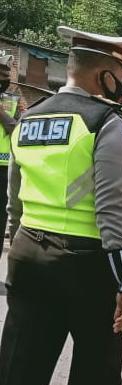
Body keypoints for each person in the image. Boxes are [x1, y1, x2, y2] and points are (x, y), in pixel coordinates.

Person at [0, 26, 122, 385]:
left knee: (18, 369)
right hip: (87, 264)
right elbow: (113, 209)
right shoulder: (108, 122)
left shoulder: (30, 118)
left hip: (28, 253)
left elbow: (15, 196)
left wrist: (15, 246)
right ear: (104, 73)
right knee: (98, 366)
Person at [0, 54, 19, 258]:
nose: (3, 79)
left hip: (5, 170)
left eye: (5, 75)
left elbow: (18, 131)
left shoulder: (10, 103)